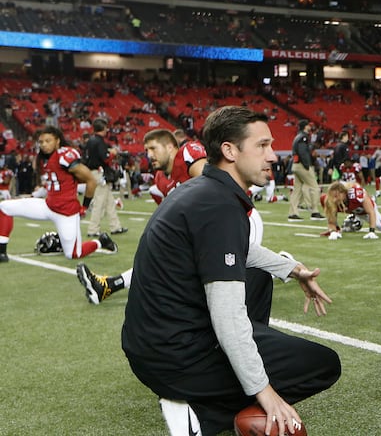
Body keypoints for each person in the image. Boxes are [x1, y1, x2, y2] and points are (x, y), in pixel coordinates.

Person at [121, 106, 341, 436]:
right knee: (323, 364)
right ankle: (202, 415)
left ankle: (209, 389)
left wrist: (293, 269)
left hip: (153, 345)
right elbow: (227, 316)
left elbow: (240, 249)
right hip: (175, 358)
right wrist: (263, 392)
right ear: (229, 151)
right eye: (262, 146)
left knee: (258, 278)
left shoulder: (204, 190)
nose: (272, 156)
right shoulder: (218, 204)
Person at [75, 129, 208, 304]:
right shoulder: (159, 180)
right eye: (146, 150)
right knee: (161, 252)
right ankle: (107, 286)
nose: (149, 155)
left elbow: (210, 188)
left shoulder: (188, 152)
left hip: (226, 223)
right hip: (203, 233)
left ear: (170, 147)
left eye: (153, 148)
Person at [0, 126, 118, 264]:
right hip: (47, 205)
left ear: (57, 141)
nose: (44, 144)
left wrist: (84, 206)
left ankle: (100, 242)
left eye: (48, 141)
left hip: (65, 212)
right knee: (4, 207)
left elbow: (91, 180)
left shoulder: (64, 156)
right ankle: (1, 252)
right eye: (41, 141)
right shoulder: (48, 158)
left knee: (73, 254)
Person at [84, 118, 127, 236]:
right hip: (99, 173)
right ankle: (93, 229)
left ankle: (115, 226)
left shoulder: (90, 141)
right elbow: (105, 158)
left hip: (93, 172)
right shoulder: (99, 141)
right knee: (99, 202)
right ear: (103, 129)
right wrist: (112, 153)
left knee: (109, 202)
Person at [287, 119, 324, 221]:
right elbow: (303, 152)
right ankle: (315, 211)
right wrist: (307, 165)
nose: (310, 127)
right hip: (302, 165)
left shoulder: (298, 137)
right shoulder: (303, 137)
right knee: (315, 187)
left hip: (296, 165)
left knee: (297, 190)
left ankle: (293, 213)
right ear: (305, 126)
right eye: (308, 125)